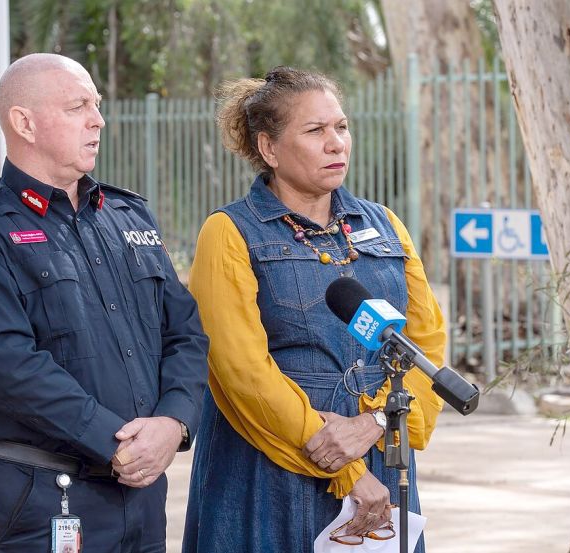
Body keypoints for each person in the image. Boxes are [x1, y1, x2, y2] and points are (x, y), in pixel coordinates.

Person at [0, 53, 209, 553]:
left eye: (96, 105)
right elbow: (6, 365)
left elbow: (185, 332)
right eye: (78, 106)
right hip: (41, 498)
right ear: (24, 123)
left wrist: (174, 422)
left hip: (141, 499)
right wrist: (116, 442)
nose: (98, 119)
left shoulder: (127, 216)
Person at [182, 66, 446, 552]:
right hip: (273, 469)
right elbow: (241, 372)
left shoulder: (386, 225)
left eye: (341, 127)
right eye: (315, 130)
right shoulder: (229, 232)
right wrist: (346, 469)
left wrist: (373, 425)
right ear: (269, 149)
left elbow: (425, 346)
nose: (336, 143)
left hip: (381, 455)